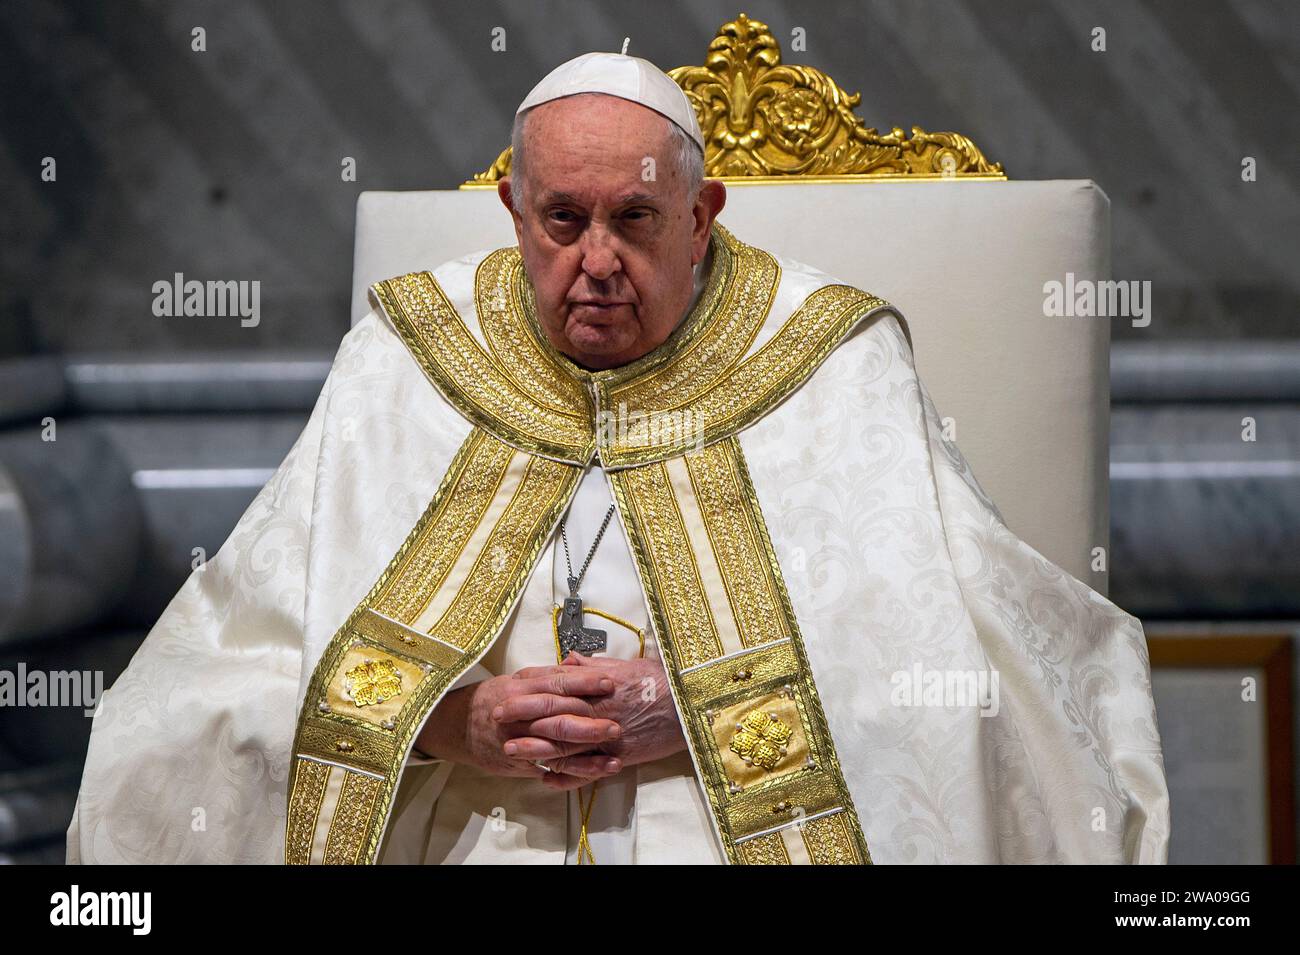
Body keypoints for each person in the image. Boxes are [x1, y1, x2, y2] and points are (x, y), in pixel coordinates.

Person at [67, 51, 1169, 865]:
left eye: (635, 220)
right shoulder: (406, 354)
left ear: (701, 215)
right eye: (562, 219)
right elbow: (238, 653)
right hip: (460, 815)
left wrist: (695, 705)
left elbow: (958, 666)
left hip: (720, 820)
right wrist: (450, 718)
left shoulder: (831, 359)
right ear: (512, 212)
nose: (595, 262)